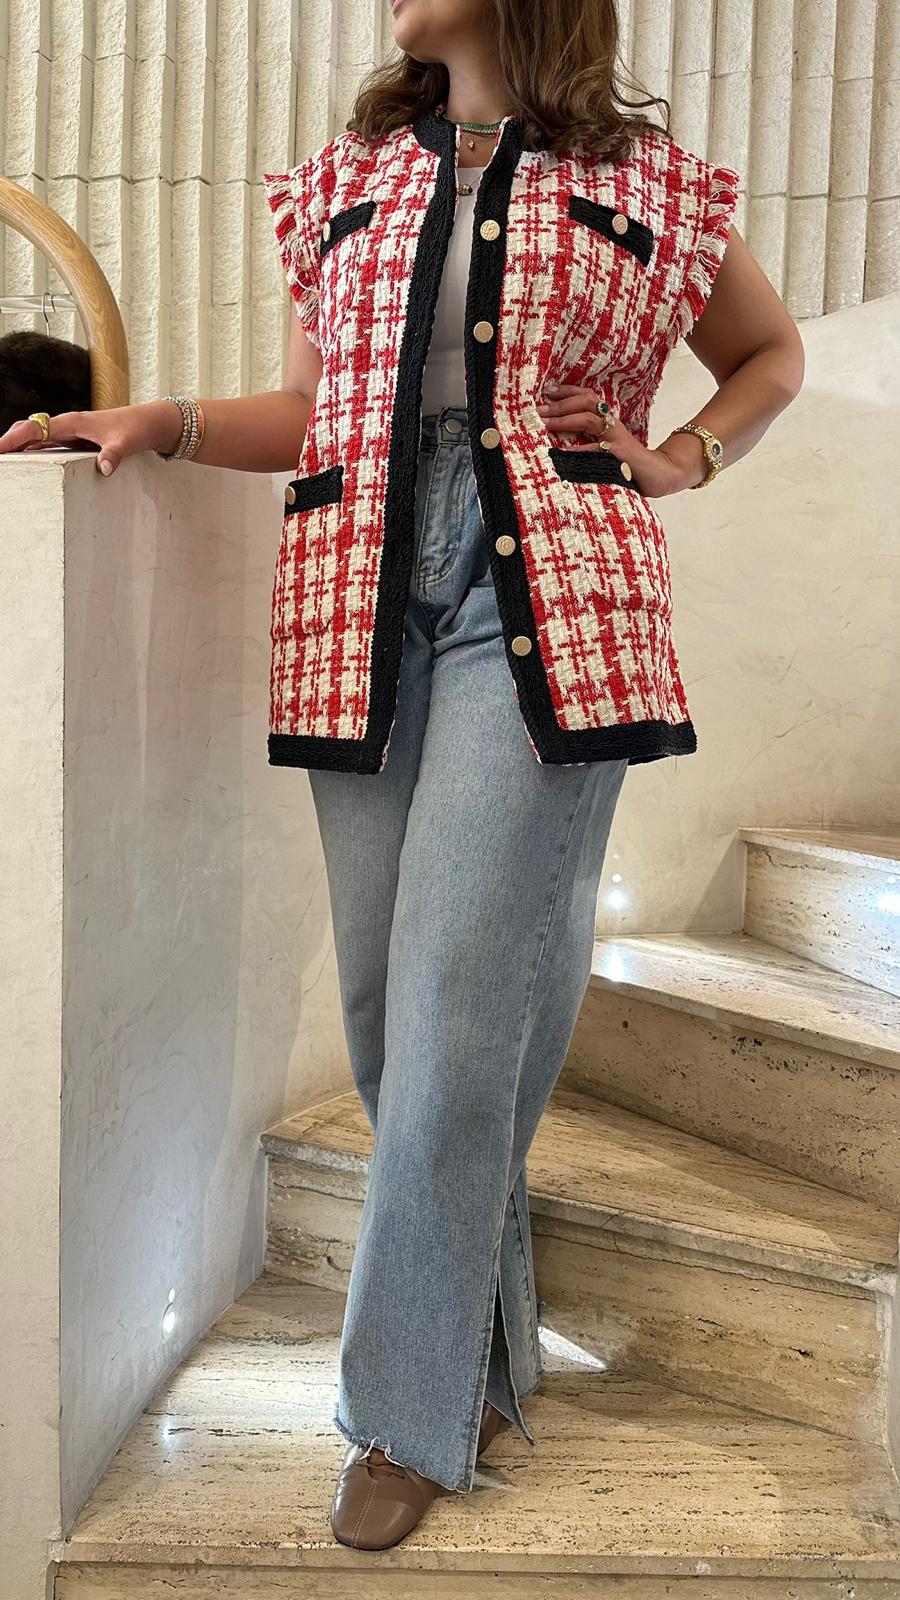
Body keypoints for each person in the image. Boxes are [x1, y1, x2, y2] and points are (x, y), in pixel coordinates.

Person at [0, 0, 804, 1555]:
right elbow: (315, 413)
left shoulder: (648, 179)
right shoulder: (347, 177)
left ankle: (404, 1414)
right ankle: (487, 1356)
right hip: (358, 608)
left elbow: (767, 353)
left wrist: (682, 454)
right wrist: (165, 420)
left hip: (550, 606)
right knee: (391, 1015)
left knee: (451, 1015)